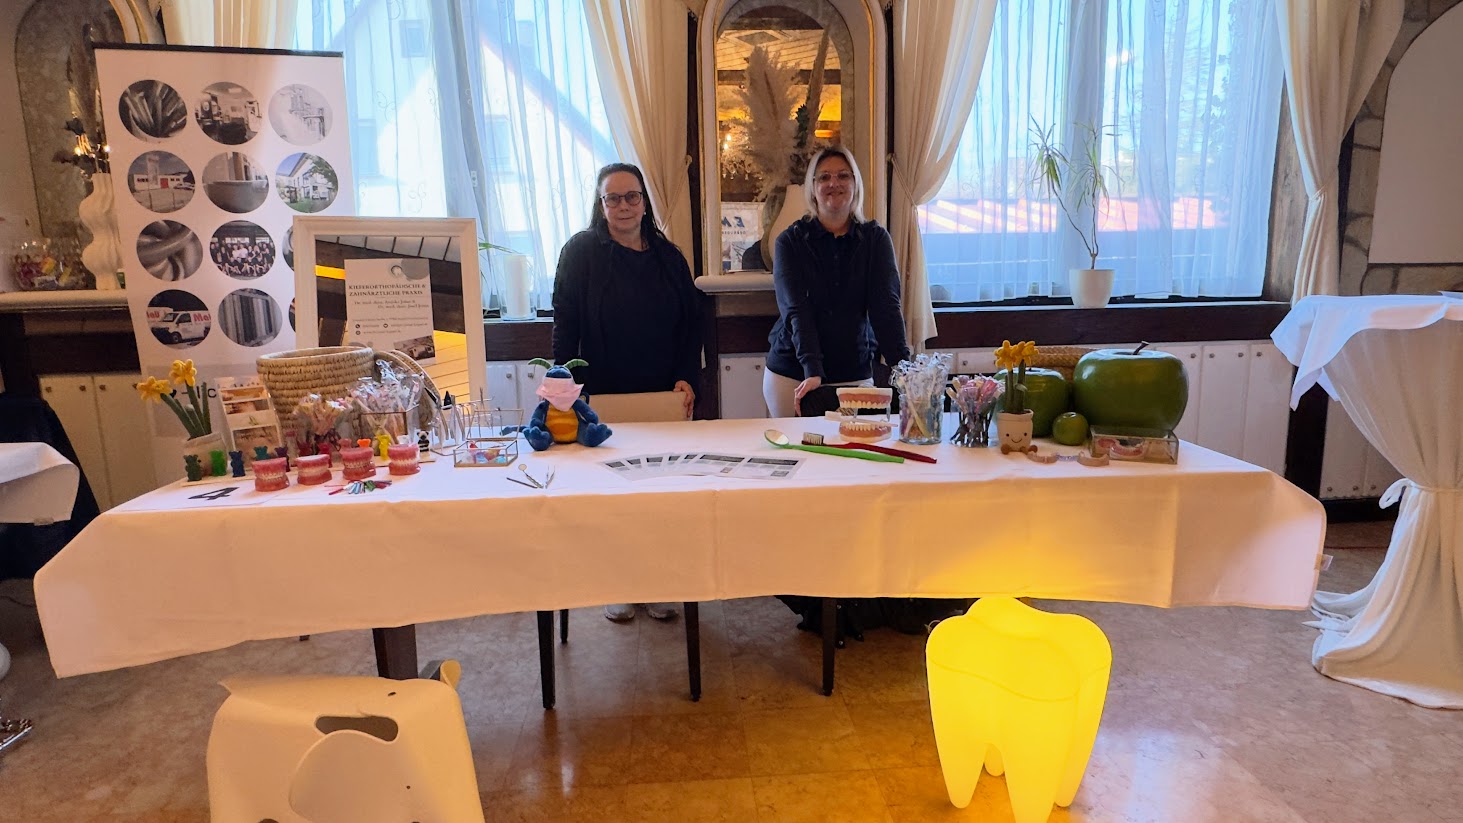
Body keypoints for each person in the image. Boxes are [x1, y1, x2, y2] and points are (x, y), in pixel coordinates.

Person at [552, 162, 701, 622]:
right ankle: (618, 583)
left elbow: (691, 324)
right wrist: (564, 387)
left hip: (662, 393)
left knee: (660, 492)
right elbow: (565, 324)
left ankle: (656, 583)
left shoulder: (669, 257)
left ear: (644, 202)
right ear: (601, 205)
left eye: (631, 196)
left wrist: (687, 377)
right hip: (603, 393)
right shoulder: (580, 252)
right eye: (612, 198)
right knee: (611, 493)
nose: (623, 206)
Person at [763, 146, 910, 417]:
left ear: (855, 184)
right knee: (798, 445)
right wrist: (812, 370)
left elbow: (887, 309)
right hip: (795, 374)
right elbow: (796, 310)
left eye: (843, 176)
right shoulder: (789, 242)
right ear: (813, 187)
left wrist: (904, 371)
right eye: (824, 177)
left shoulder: (876, 240)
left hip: (853, 373)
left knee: (859, 445)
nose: (834, 183)